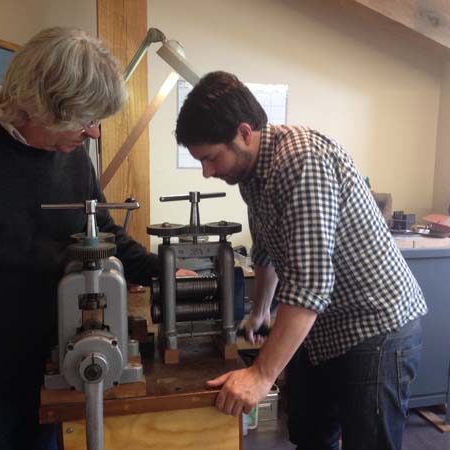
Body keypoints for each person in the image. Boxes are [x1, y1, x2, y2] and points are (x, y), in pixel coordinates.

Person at [0, 27, 190, 450]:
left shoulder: (70, 156)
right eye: (86, 120)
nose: (94, 135)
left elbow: (101, 230)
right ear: (38, 105)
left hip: (51, 371)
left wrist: (163, 270)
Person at [175, 71, 428, 450]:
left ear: (245, 133)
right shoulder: (249, 173)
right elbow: (265, 250)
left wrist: (260, 375)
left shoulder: (300, 159)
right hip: (323, 326)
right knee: (310, 435)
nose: (207, 172)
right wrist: (261, 309)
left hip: (376, 326)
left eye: (211, 158)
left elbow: (310, 284)